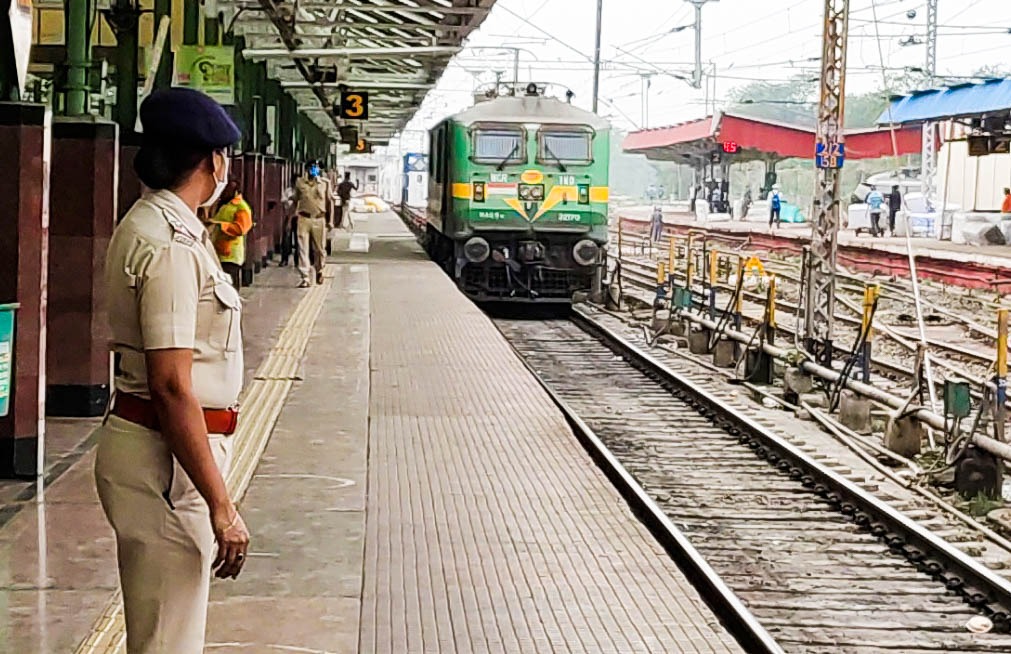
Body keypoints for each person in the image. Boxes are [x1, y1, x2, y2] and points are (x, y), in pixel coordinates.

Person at [93, 87, 249, 653]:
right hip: (167, 462)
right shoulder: (171, 245)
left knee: (166, 628)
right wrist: (222, 506)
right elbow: (172, 384)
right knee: (167, 640)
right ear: (212, 161)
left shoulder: (155, 224)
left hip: (165, 454)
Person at [292, 161, 332, 287]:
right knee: (302, 248)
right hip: (303, 218)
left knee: (320, 249)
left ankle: (319, 269)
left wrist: (330, 220)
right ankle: (305, 277)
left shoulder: (325, 183)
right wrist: (292, 215)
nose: (314, 170)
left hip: (319, 219)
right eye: (311, 168)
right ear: (307, 169)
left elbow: (330, 201)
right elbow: (296, 199)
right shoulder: (300, 183)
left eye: (316, 168)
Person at [208, 181, 253, 288]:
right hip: (218, 251)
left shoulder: (241, 207)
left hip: (231, 253)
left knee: (230, 285)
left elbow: (241, 228)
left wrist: (221, 225)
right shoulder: (223, 204)